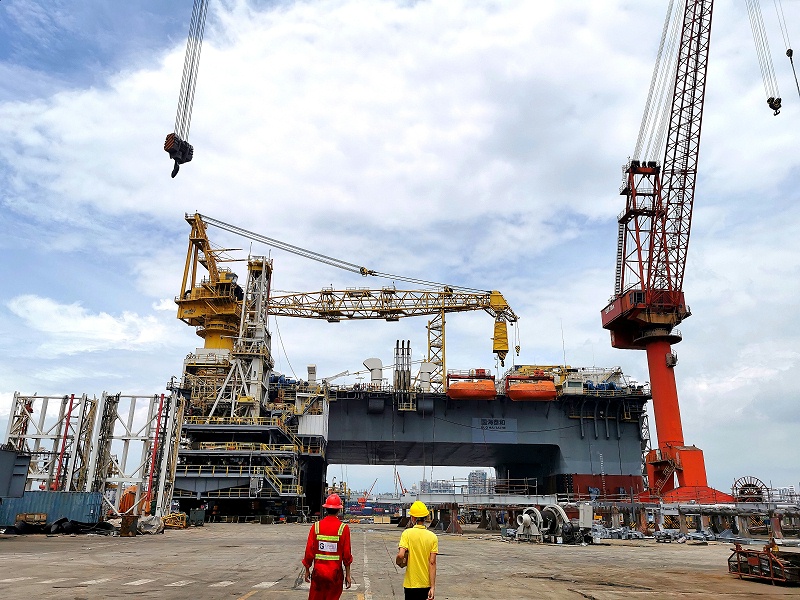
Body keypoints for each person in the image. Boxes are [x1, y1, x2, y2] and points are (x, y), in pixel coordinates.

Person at [302, 493, 353, 600]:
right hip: (335, 575)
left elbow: (309, 551)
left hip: (318, 574)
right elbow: (347, 555)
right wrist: (348, 575)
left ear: (326, 509)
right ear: (339, 510)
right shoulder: (343, 528)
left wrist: (307, 569)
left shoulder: (316, 527)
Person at [396, 501, 438, 600]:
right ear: (425, 518)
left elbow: (401, 555)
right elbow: (432, 563)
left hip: (410, 584)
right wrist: (432, 587)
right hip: (425, 584)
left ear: (413, 518)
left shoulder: (407, 534)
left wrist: (399, 561)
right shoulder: (433, 537)